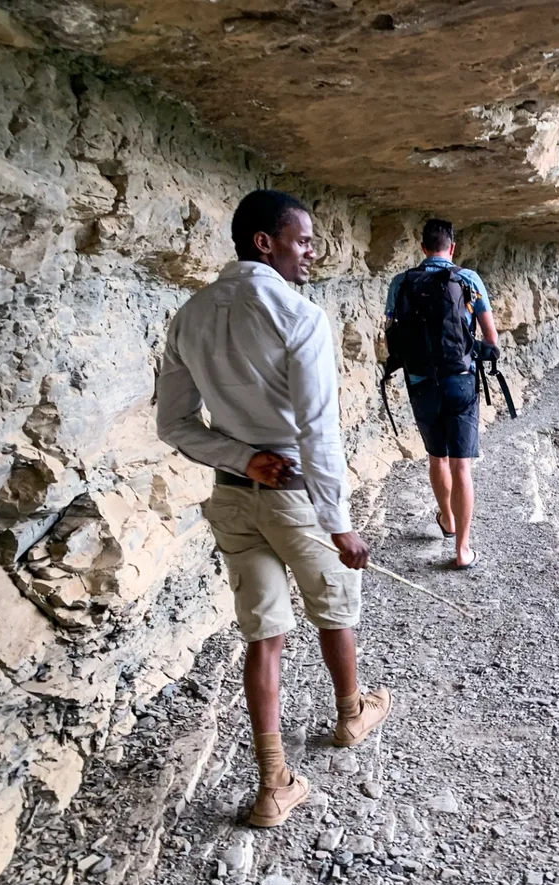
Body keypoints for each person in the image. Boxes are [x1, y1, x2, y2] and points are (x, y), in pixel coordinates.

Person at [156, 189, 392, 828]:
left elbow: (174, 426)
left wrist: (239, 458)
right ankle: (350, 715)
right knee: (335, 605)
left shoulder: (189, 316)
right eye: (303, 241)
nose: (312, 253)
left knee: (264, 632)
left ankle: (273, 784)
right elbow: (319, 432)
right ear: (266, 242)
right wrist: (340, 525)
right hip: (292, 496)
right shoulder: (300, 316)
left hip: (235, 499)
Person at [385, 218, 498, 570]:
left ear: (422, 248)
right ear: (452, 247)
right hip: (459, 380)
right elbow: (491, 341)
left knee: (437, 457)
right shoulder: (467, 280)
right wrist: (479, 351)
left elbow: (390, 334)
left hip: (421, 382)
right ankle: (462, 550)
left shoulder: (401, 282)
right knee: (462, 464)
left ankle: (446, 519)